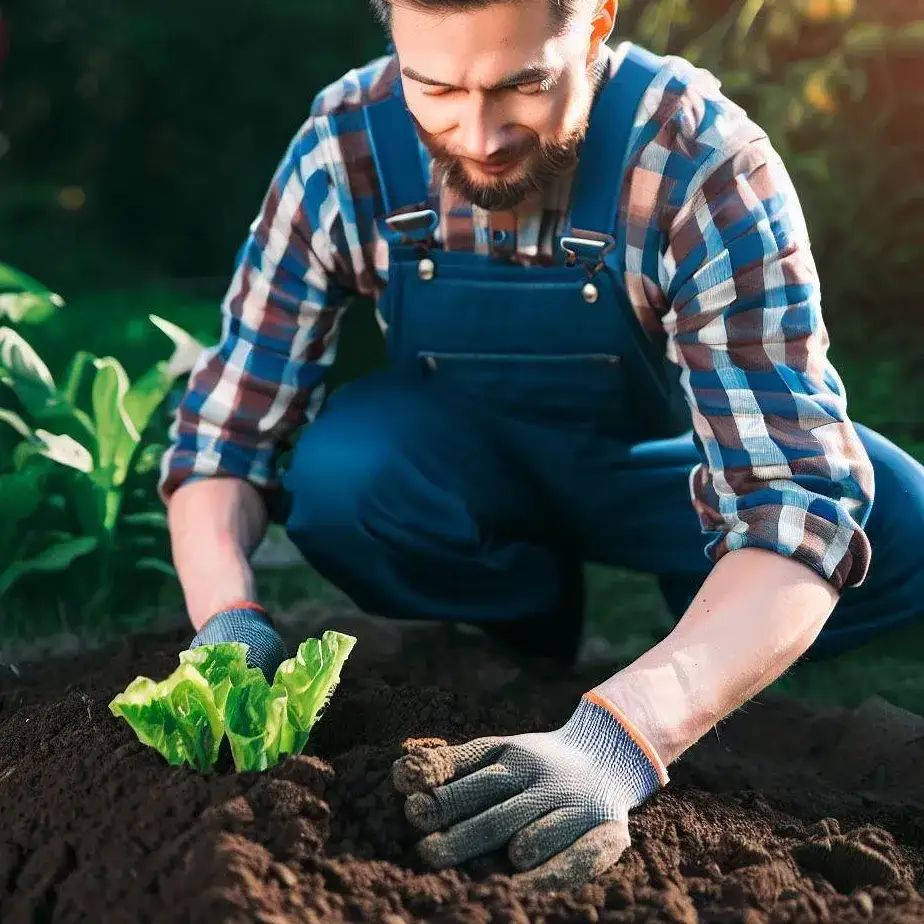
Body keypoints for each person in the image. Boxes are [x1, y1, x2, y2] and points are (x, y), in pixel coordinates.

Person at [161, 0, 924, 891]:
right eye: (436, 88)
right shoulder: (347, 144)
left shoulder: (697, 155)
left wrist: (628, 734)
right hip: (465, 473)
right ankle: (523, 613)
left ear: (597, 24)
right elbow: (224, 439)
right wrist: (228, 623)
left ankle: (706, 614)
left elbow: (799, 506)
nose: (479, 136)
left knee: (895, 522)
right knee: (343, 474)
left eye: (521, 84)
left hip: (666, 479)